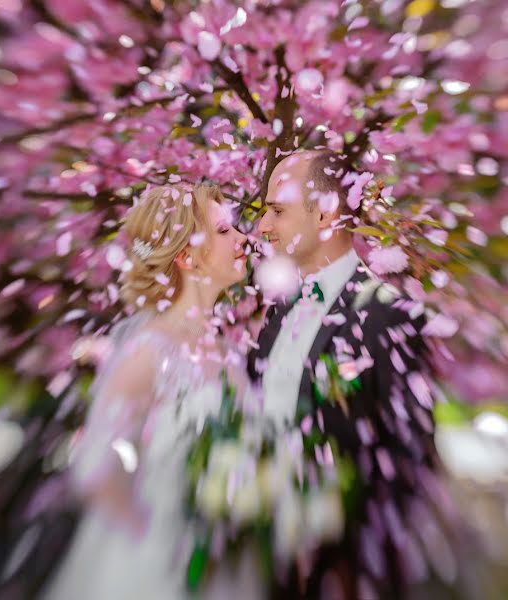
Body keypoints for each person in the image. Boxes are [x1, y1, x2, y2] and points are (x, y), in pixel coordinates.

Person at [41, 184, 263, 600]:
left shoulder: (227, 348)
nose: (242, 238)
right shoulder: (149, 354)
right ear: (185, 255)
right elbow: (94, 470)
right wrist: (157, 546)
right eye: (223, 231)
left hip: (225, 560)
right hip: (160, 571)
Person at [248, 150, 441, 599]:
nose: (263, 227)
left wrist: (345, 555)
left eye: (277, 210)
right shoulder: (279, 313)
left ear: (325, 213)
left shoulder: (388, 315)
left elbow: (412, 460)